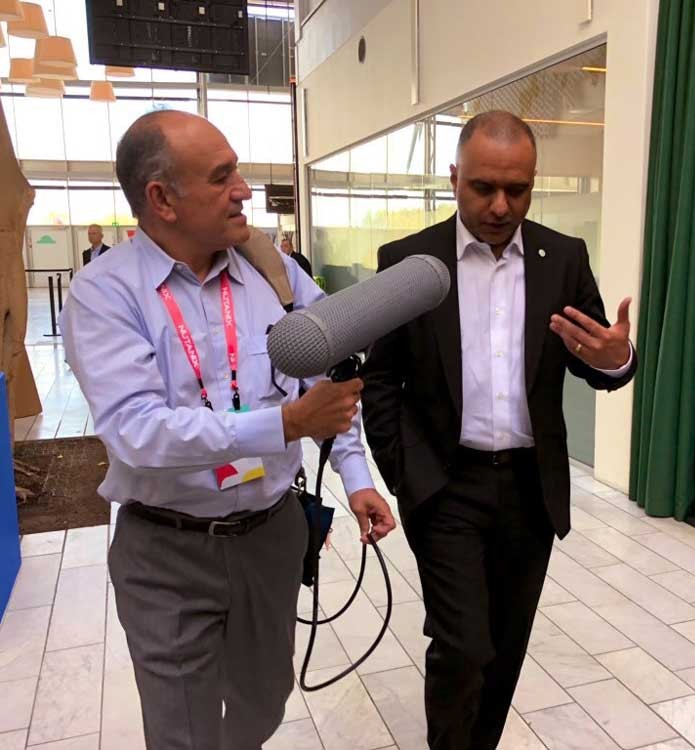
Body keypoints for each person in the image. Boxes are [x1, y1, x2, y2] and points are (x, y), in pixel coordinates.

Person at [60, 110, 395, 750]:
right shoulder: (105, 293)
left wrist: (356, 478)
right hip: (167, 550)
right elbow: (137, 431)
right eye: (221, 177)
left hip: (272, 536)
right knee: (183, 731)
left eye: (237, 170)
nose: (244, 190)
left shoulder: (275, 273)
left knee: (263, 701)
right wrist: (283, 425)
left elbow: (324, 382)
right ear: (162, 199)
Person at [361, 110, 637, 750]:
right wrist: (406, 474)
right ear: (453, 178)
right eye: (483, 187)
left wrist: (616, 357)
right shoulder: (409, 262)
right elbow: (381, 379)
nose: (500, 205)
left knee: (506, 646)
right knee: (463, 644)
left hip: (529, 490)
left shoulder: (562, 259)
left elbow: (597, 358)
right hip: (445, 487)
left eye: (518, 189)